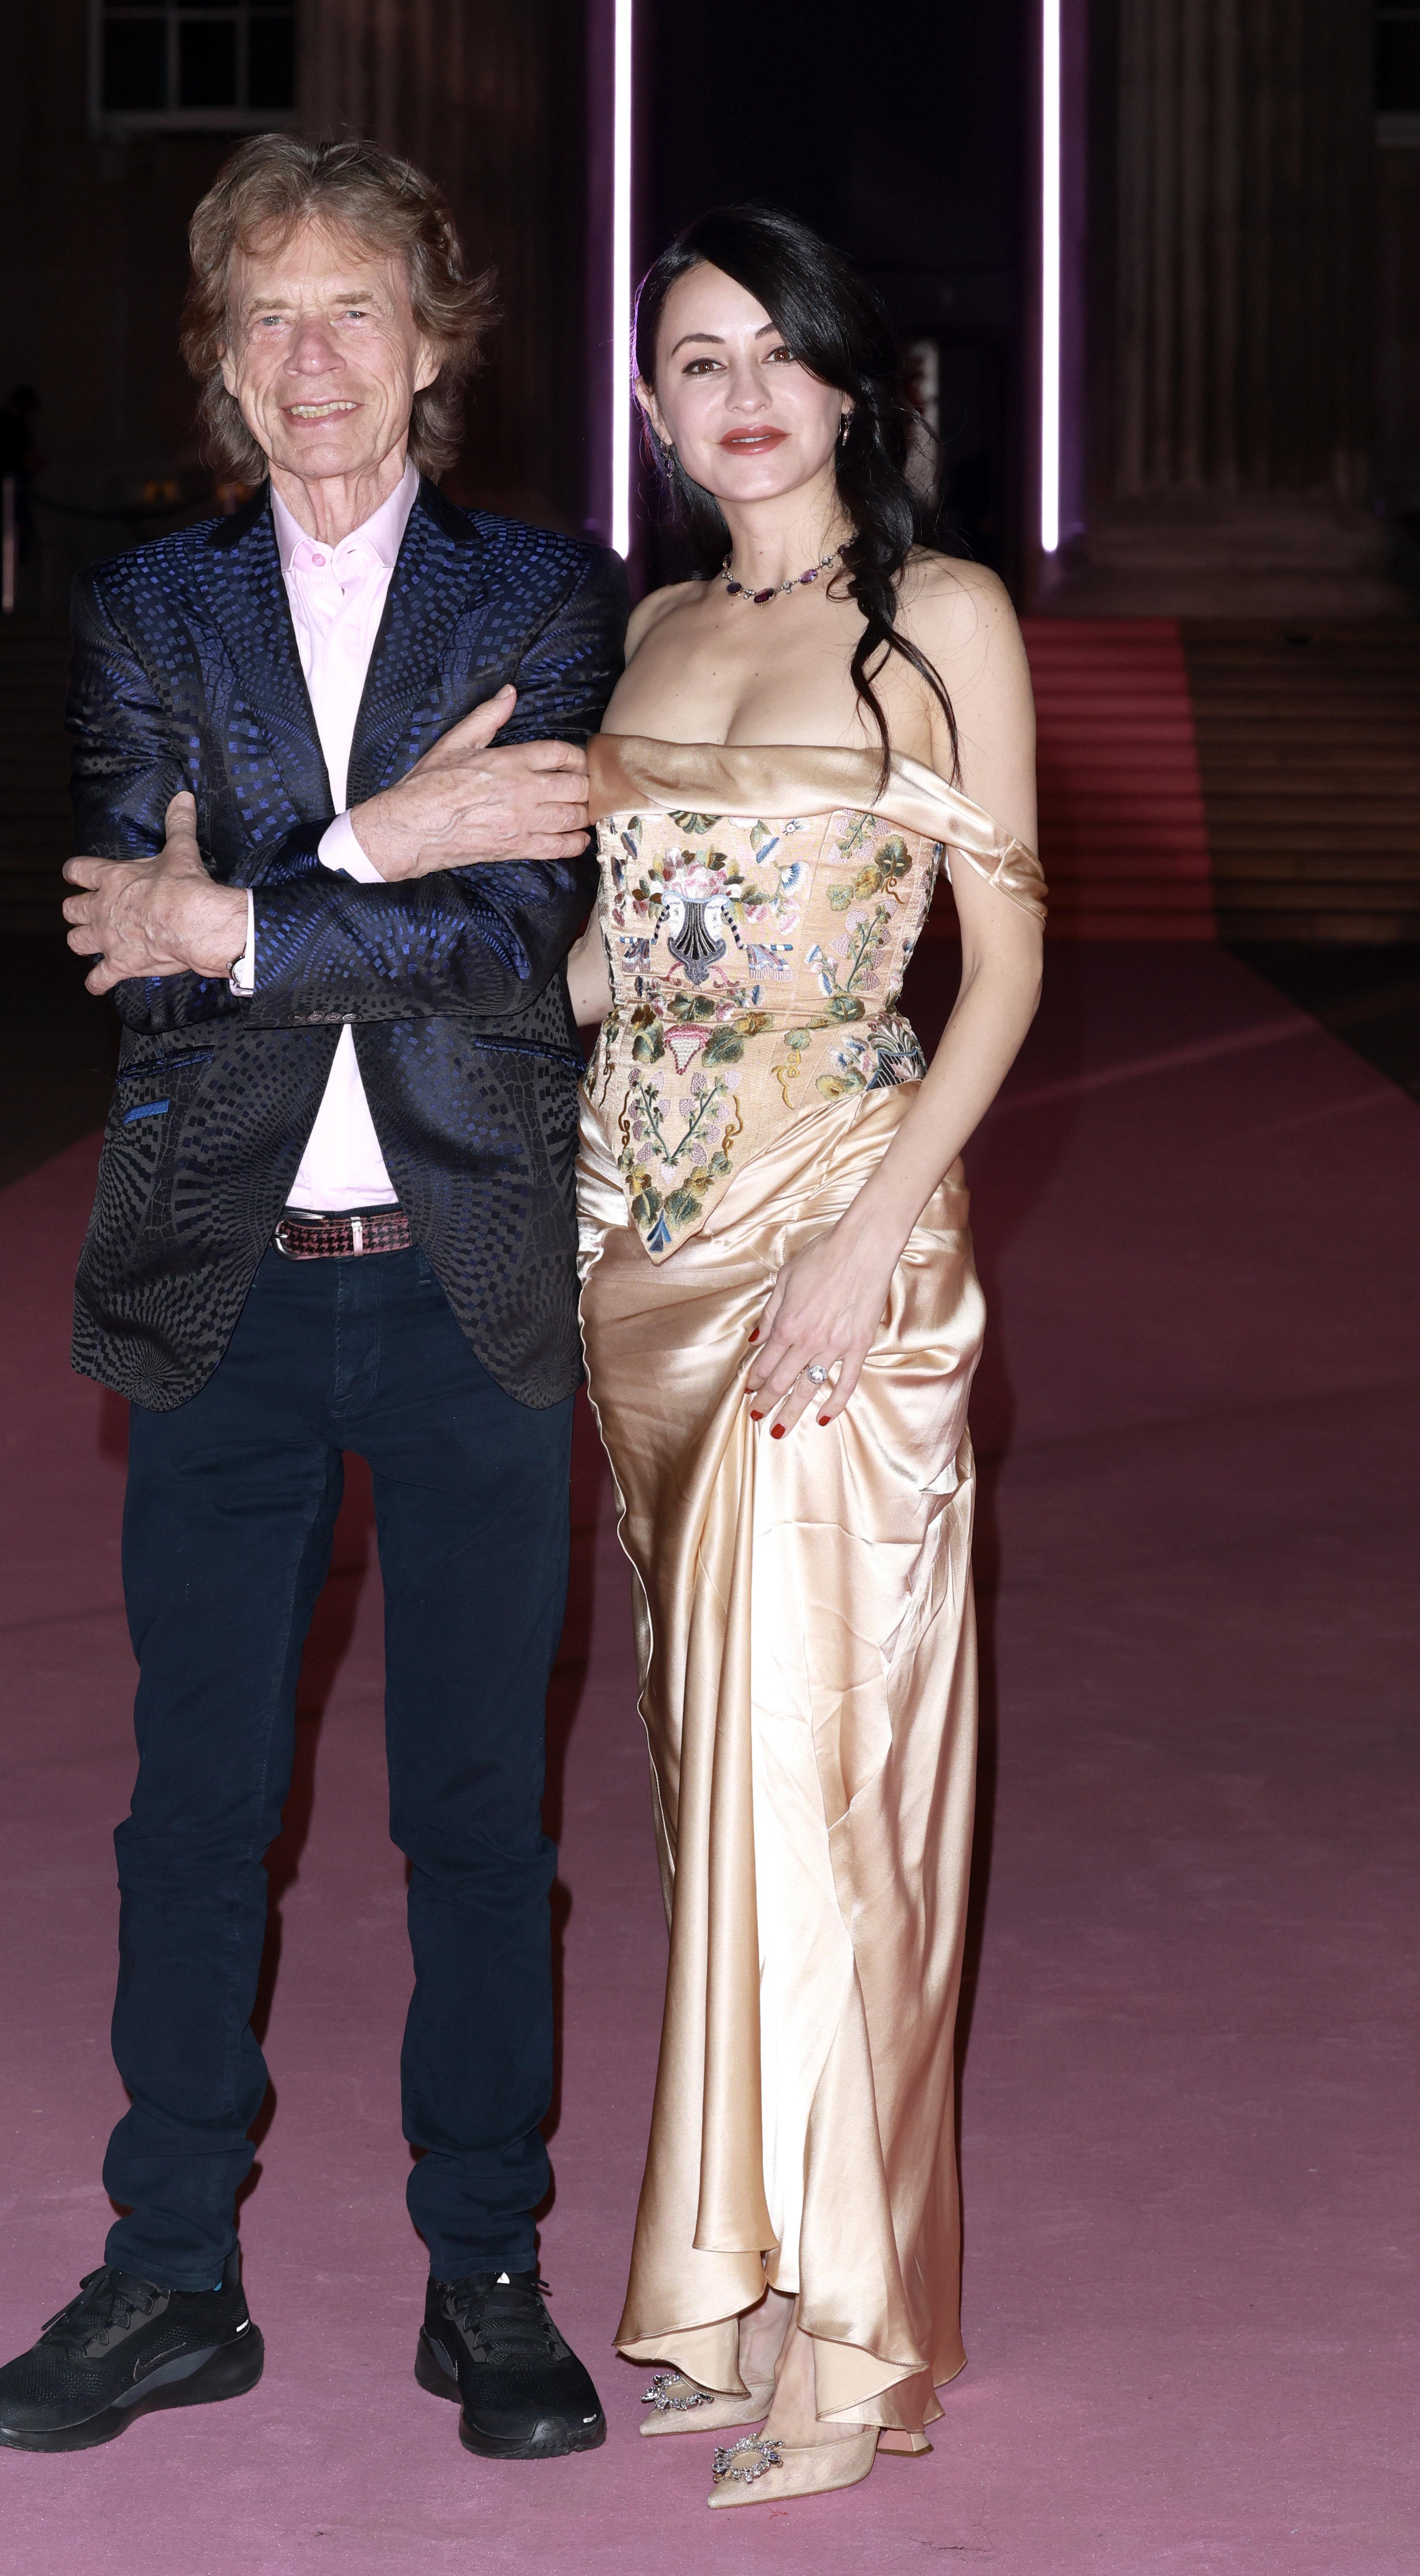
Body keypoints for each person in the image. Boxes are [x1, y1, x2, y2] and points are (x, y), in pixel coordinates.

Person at [0, 139, 627, 2461]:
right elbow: (137, 967)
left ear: (433, 343)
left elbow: (514, 937)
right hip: (221, 1286)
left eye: (353, 307)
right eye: (266, 315)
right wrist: (369, 844)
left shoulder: (541, 592)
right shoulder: (152, 610)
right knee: (192, 1807)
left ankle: (485, 2268)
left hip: (468, 1285)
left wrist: (248, 904)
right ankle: (170, 2272)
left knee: (475, 1809)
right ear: (220, 364)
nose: (311, 355)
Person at [565, 206, 1046, 2510]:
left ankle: (851, 2333)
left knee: (818, 1778)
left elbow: (1003, 966)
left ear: (851, 386)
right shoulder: (647, 629)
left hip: (834, 1244)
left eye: (777, 351)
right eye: (696, 358)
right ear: (648, 405)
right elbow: (605, 961)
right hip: (633, 1249)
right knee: (706, 1776)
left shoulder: (937, 615)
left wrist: (867, 1237)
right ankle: (733, 2271)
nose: (740, 393)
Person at [0, 385, 40, 610]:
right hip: (10, 497)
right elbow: (27, 461)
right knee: (7, 547)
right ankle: (1, 601)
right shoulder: (18, 429)